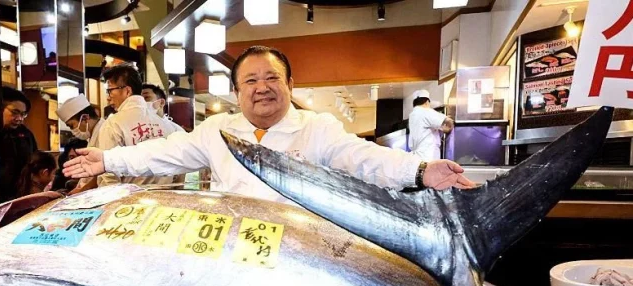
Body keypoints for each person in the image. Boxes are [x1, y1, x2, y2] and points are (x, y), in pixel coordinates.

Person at [64, 46, 474, 199]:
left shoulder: (318, 127)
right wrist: (109, 159)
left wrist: (421, 170)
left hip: (301, 249)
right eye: (251, 81)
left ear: (290, 84)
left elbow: (363, 158)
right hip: (232, 247)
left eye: (272, 78)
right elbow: (162, 154)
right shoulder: (217, 130)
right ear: (238, 92)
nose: (262, 88)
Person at [95, 64, 183, 188]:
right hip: (165, 198)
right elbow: (179, 170)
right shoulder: (168, 126)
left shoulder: (113, 123)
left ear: (127, 91)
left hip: (130, 202)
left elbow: (108, 174)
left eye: (110, 90)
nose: (108, 97)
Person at [407, 90, 454, 161]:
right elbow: (448, 121)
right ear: (426, 102)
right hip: (428, 156)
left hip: (417, 157)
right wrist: (447, 130)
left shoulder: (412, 115)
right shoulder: (425, 111)